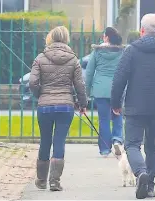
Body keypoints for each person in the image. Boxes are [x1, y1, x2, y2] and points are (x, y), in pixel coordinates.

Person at [111, 14, 155, 199]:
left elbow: (119, 79)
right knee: (152, 146)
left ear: (142, 30)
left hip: (135, 105)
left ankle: (140, 172)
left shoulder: (131, 51)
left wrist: (115, 103)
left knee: (132, 144)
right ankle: (149, 185)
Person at [29, 26, 87, 191]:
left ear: (50, 38)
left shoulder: (40, 58)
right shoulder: (73, 60)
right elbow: (80, 85)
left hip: (45, 106)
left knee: (45, 140)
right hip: (65, 106)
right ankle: (55, 181)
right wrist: (82, 104)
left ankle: (41, 180)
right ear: (66, 39)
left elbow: (32, 82)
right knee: (59, 141)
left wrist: (40, 94)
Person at [85, 27, 124, 157]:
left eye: (103, 36)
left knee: (104, 119)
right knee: (117, 115)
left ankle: (105, 149)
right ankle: (117, 139)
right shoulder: (121, 51)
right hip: (117, 89)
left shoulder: (97, 51)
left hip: (100, 89)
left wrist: (87, 90)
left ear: (106, 37)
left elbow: (89, 72)